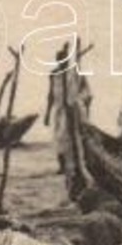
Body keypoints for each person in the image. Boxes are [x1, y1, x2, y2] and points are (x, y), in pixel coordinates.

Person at [45, 43, 92, 175]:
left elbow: (86, 93)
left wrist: (84, 109)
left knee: (71, 137)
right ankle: (62, 166)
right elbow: (50, 94)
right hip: (59, 109)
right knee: (59, 138)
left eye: (65, 60)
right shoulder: (54, 74)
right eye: (60, 60)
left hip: (72, 109)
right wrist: (47, 114)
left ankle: (74, 164)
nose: (63, 63)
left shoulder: (73, 73)